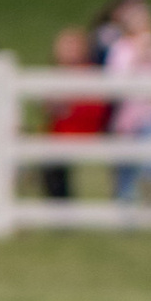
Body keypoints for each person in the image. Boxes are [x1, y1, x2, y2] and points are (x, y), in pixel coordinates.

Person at [101, 0, 151, 209]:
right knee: (126, 159)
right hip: (128, 115)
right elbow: (115, 83)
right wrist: (137, 57)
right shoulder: (120, 50)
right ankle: (125, 200)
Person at [40, 26, 110, 201]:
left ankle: (62, 206)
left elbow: (95, 109)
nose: (67, 51)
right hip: (59, 134)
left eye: (72, 46)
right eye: (64, 46)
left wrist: (67, 108)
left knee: (54, 160)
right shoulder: (56, 73)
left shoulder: (90, 73)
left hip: (83, 132)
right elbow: (48, 109)